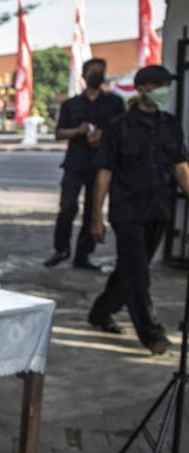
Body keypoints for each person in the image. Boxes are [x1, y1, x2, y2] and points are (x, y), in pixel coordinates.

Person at [87, 65, 189, 355]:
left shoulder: (170, 125)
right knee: (138, 273)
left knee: (131, 268)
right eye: (159, 85)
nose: (164, 91)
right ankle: (151, 332)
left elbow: (180, 167)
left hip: (159, 209)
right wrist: (97, 217)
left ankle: (100, 311)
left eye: (167, 85)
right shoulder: (119, 127)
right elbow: (104, 174)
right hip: (128, 210)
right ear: (142, 89)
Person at [46, 58, 125, 269]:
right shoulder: (71, 104)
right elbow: (59, 132)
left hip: (101, 165)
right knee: (67, 208)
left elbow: (122, 131)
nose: (96, 75)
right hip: (75, 163)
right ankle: (61, 249)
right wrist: (78, 132)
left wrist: (103, 135)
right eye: (92, 72)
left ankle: (83, 255)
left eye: (100, 71)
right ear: (84, 75)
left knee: (93, 211)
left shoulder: (114, 103)